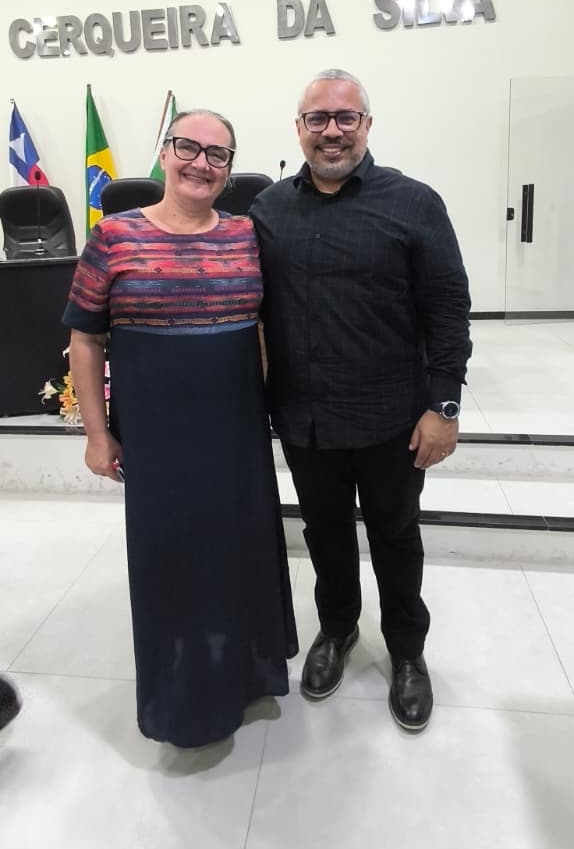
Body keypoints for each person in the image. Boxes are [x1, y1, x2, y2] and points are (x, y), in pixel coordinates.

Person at [64, 109, 297, 749]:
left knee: (237, 553)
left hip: (236, 430)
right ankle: (180, 700)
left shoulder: (248, 235)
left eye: (217, 154)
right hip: (157, 436)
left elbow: (265, 327)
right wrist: (96, 434)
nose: (201, 163)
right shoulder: (113, 236)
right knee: (169, 561)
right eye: (188, 147)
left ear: (229, 169)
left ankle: (245, 675)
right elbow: (85, 340)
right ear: (165, 153)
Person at [251, 69, 472, 731]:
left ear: (367, 125)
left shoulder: (414, 203)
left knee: (395, 537)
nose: (332, 131)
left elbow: (448, 309)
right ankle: (338, 628)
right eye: (317, 118)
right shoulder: (268, 210)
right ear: (299, 129)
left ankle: (406, 650)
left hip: (391, 420)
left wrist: (444, 407)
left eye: (345, 117)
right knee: (323, 534)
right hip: (305, 419)